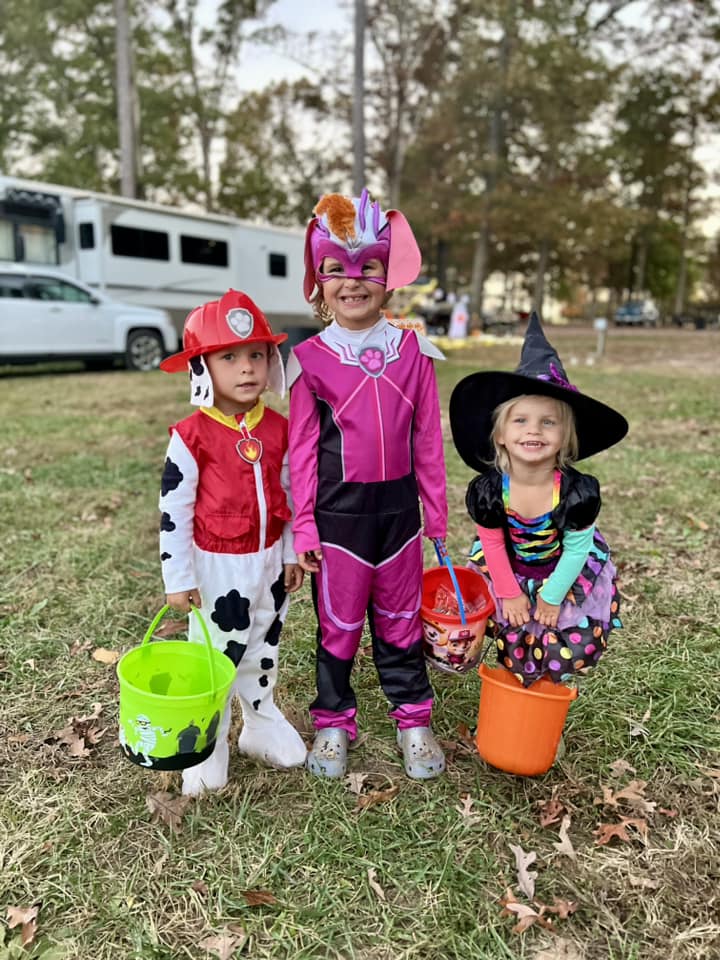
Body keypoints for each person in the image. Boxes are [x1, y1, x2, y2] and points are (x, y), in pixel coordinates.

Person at [287, 188, 448, 780]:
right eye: (335, 269)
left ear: (390, 275)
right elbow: (302, 449)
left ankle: (413, 718)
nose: (352, 281)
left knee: (401, 619)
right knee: (339, 623)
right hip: (338, 518)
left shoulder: (414, 350)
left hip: (401, 517)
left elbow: (427, 439)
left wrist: (436, 512)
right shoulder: (307, 359)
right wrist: (303, 520)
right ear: (318, 281)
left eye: (367, 268)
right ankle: (333, 721)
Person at [158, 289, 307, 795]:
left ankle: (259, 720)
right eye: (229, 357)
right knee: (217, 652)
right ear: (202, 368)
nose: (247, 368)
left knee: (265, 640)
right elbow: (174, 509)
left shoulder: (281, 429)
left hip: (268, 561)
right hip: (216, 565)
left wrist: (290, 552)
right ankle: (211, 737)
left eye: (256, 355)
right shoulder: (192, 435)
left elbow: (290, 494)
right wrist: (178, 578)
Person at [449, 312, 628, 687]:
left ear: (566, 436)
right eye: (521, 421)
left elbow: (577, 551)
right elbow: (492, 543)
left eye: (549, 422)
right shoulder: (490, 492)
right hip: (510, 570)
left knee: (563, 638)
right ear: (499, 435)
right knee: (512, 632)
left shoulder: (576, 492)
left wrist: (551, 597)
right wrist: (510, 594)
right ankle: (517, 690)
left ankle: (548, 689)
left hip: (562, 570)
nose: (534, 429)